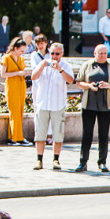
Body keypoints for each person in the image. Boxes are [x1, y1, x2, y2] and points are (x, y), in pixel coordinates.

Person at [75, 44, 110, 173]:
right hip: (89, 104)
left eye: (105, 53)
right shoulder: (87, 65)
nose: (102, 55)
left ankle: (102, 162)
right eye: (100, 53)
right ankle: (83, 161)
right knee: (86, 134)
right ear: (94, 53)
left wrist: (108, 85)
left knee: (103, 135)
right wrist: (90, 86)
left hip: (105, 105)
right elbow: (79, 83)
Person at [31, 37, 74, 171]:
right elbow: (33, 77)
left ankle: (56, 159)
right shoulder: (44, 63)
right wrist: (42, 66)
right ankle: (39, 160)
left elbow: (71, 80)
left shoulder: (66, 66)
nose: (54, 56)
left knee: (58, 134)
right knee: (40, 134)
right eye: (52, 53)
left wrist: (60, 69)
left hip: (57, 104)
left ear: (62, 54)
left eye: (57, 54)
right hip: (43, 103)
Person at [0, 37, 30, 147]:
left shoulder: (21, 59)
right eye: (21, 51)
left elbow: (22, 71)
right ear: (15, 48)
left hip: (21, 85)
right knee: (14, 111)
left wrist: (24, 73)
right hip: (12, 86)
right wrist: (18, 73)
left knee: (20, 110)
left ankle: (16, 136)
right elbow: (3, 74)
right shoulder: (7, 58)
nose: (23, 53)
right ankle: (15, 137)